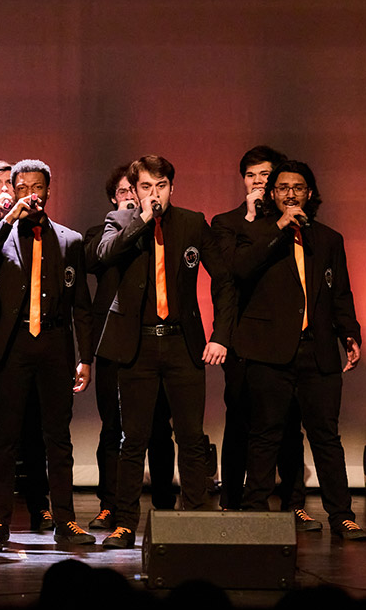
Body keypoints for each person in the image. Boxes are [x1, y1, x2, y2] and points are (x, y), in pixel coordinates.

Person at [95, 155, 234, 548]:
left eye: (161, 186)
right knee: (132, 438)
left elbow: (224, 281)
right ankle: (124, 524)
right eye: (145, 187)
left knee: (190, 437)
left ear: (172, 187)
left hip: (181, 342)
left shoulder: (192, 223)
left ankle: (194, 518)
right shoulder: (120, 222)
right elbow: (104, 256)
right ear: (134, 190)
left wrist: (219, 335)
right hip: (136, 344)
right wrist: (139, 219)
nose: (154, 194)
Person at [232, 160, 366, 540]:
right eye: (283, 187)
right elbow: (240, 270)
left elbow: (340, 293)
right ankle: (256, 514)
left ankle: (341, 514)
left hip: (318, 351)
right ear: (272, 195)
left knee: (326, 436)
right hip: (270, 354)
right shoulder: (254, 232)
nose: (291, 193)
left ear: (310, 194)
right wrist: (278, 226)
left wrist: (350, 335)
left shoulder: (328, 239)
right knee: (265, 435)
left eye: (299, 187)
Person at [0, 159, 93, 550]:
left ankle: (65, 520)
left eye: (37, 187)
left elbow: (82, 305)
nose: (31, 195)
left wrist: (85, 357)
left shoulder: (69, 240)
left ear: (47, 191)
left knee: (57, 437)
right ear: (11, 190)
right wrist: (7, 219)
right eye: (22, 187)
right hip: (14, 344)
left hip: (55, 344)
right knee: (4, 438)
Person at [211, 146, 313, 526]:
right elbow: (234, 274)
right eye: (252, 175)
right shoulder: (225, 222)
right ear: (243, 181)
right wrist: (255, 218)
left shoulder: (293, 221)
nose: (259, 181)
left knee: (288, 420)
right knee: (239, 418)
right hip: (241, 337)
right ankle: (231, 499)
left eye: (265, 175)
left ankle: (293, 499)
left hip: (281, 338)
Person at [84, 165, 177, 532]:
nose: (131, 197)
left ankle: (164, 503)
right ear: (114, 197)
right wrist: (128, 220)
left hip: (154, 340)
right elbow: (97, 258)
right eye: (124, 191)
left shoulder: (156, 231)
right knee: (113, 428)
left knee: (158, 426)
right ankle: (110, 504)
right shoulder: (102, 232)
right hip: (112, 342)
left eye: (135, 191)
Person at [0, 161, 53, 531]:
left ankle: (41, 505)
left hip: (22, 336)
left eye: (12, 183)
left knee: (34, 426)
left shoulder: (33, 229)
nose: (6, 189)